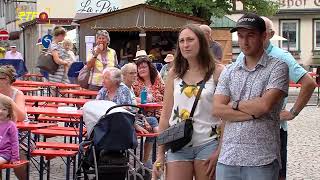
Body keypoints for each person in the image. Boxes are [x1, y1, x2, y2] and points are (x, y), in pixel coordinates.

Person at [235, 16, 317, 180]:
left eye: (258, 32)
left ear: (269, 35)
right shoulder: (241, 57)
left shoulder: (282, 57)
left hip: (273, 128)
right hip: (245, 127)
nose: (251, 37)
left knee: (275, 173)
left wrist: (293, 112)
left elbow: (309, 83)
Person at [213, 13, 289, 179]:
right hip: (228, 157)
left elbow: (264, 106)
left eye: (250, 35)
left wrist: (233, 104)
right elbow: (217, 109)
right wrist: (253, 110)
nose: (244, 41)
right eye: (240, 36)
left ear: (264, 36)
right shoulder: (230, 70)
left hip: (262, 158)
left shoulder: (278, 68)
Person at [152, 24, 224, 180]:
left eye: (190, 40)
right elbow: (165, 116)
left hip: (208, 143)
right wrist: (159, 155)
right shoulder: (174, 73)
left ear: (202, 42)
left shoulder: (217, 72)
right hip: (178, 143)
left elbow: (226, 116)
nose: (185, 45)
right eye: (182, 41)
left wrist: (220, 150)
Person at [121, 63, 159, 166]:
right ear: (123, 75)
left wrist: (144, 120)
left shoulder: (130, 88)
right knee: (153, 123)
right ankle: (154, 156)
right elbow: (125, 111)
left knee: (152, 121)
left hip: (134, 118)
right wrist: (137, 124)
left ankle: (149, 160)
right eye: (131, 73)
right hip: (127, 122)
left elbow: (135, 110)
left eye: (135, 73)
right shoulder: (124, 89)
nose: (134, 75)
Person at [0, 65, 27, 180]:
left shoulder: (17, 94)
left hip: (22, 134)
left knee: (19, 154)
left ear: (6, 79)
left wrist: (8, 101)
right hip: (1, 133)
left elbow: (21, 117)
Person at [0, 95, 19, 165]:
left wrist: (15, 158)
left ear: (9, 111)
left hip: (4, 154)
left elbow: (15, 142)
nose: (0, 111)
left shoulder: (11, 125)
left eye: (4, 109)